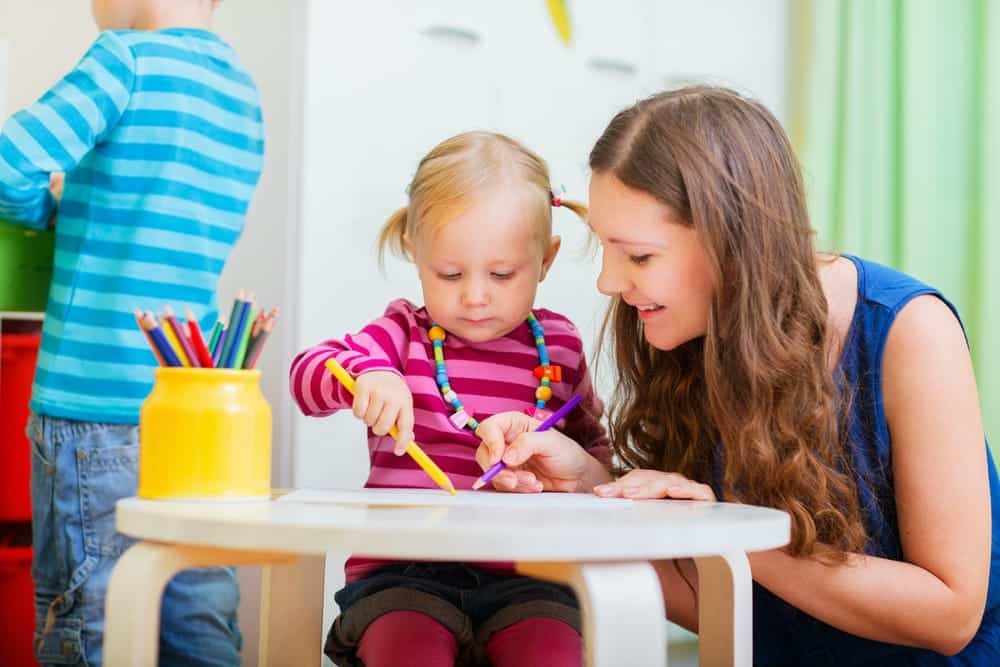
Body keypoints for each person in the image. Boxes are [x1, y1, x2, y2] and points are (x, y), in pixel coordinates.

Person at [475, 86, 1000, 665]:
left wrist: (726, 531)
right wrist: (586, 487)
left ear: (734, 243)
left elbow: (950, 613)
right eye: (605, 248)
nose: (608, 282)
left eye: (639, 256)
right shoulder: (689, 338)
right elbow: (728, 602)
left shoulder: (910, 330)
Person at [0, 1, 265, 664]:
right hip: (195, 412)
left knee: (89, 625)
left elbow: (10, 162)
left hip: (92, 411)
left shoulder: (125, 59)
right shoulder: (242, 94)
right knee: (197, 625)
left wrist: (50, 212)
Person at [289, 131, 609, 667]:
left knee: (552, 652)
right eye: (450, 274)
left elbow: (596, 461)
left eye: (503, 274)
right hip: (403, 575)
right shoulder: (401, 334)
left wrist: (579, 480)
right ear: (416, 253)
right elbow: (306, 377)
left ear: (547, 259)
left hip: (531, 577)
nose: (475, 295)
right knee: (406, 650)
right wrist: (367, 374)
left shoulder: (560, 347)